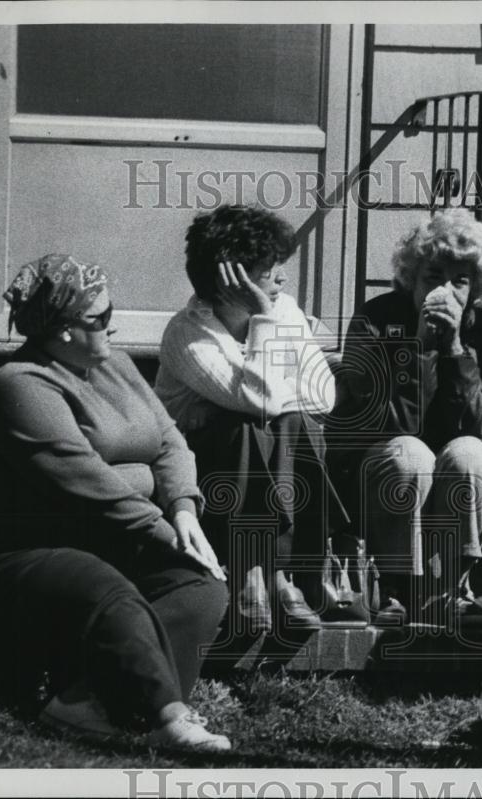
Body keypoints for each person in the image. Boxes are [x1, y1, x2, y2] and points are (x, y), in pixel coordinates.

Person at [0, 254, 231, 753]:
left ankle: (87, 700)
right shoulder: (20, 384)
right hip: (23, 552)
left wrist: (185, 510)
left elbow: (170, 442)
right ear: (62, 330)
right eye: (100, 318)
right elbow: (83, 482)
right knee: (110, 590)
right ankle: (169, 718)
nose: (114, 324)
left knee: (201, 587)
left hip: (108, 536)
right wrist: (163, 524)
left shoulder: (116, 365)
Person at [155, 205, 347, 632]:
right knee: (245, 427)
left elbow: (324, 395)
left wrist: (254, 397)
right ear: (230, 278)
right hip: (203, 470)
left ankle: (269, 576)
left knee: (294, 423)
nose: (281, 279)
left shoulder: (287, 311)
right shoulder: (188, 332)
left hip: (260, 465)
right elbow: (260, 399)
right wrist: (262, 319)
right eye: (267, 270)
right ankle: (264, 575)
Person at [329, 207, 482, 625]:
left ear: (475, 287)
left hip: (453, 467)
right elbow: (391, 422)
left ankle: (453, 590)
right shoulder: (374, 320)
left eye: (460, 281)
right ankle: (395, 587)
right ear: (412, 277)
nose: (446, 290)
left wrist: (456, 351)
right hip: (379, 468)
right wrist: (423, 346)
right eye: (434, 277)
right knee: (410, 453)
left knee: (470, 453)